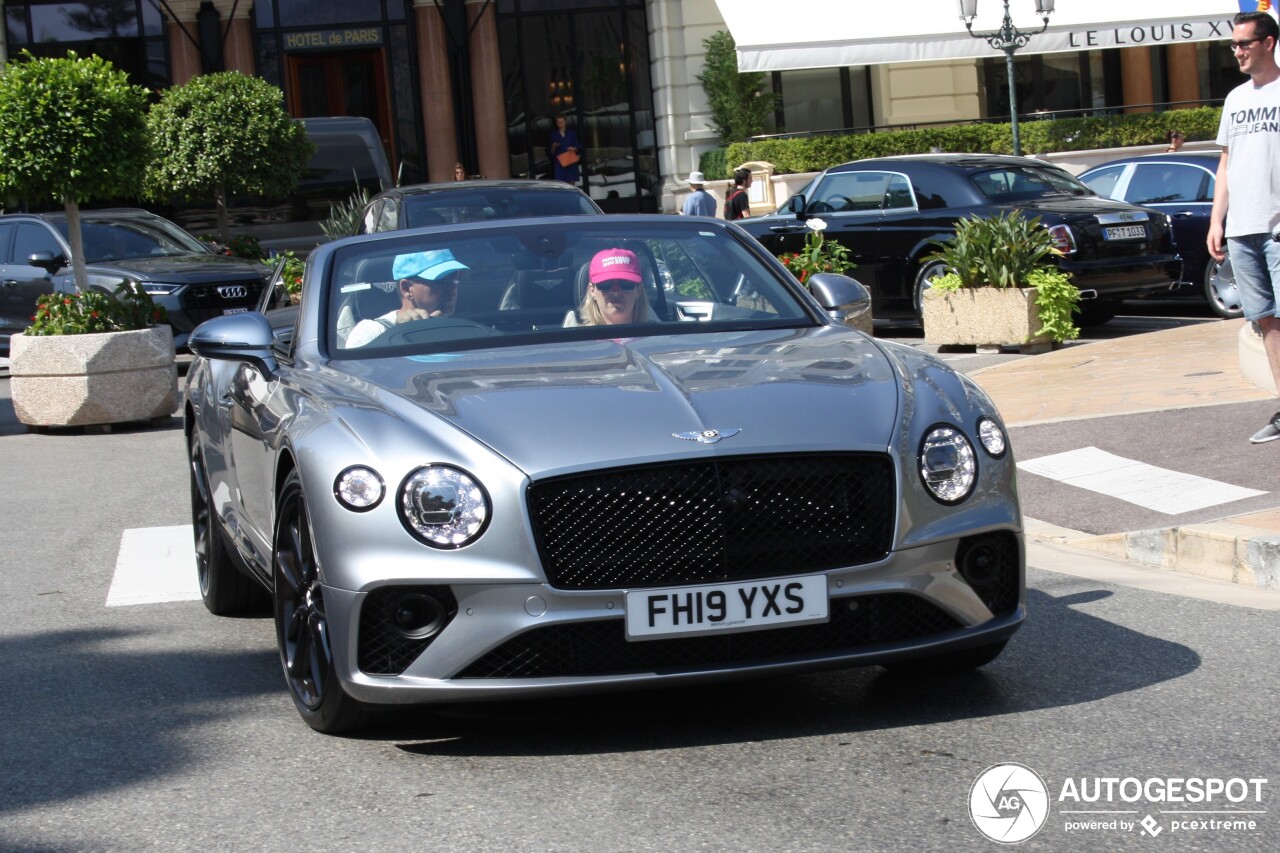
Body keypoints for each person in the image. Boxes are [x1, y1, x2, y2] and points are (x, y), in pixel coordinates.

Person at [1207, 10, 1280, 443]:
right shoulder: (1236, 99)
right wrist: (1217, 221)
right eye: (1233, 45)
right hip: (1241, 229)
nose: (1237, 51)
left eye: (1244, 44)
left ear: (1268, 43)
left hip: (1276, 228)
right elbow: (1227, 162)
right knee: (1266, 322)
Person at [345, 249, 468, 348]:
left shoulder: (470, 328)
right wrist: (403, 335)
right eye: (441, 281)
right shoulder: (371, 332)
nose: (452, 286)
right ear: (406, 288)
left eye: (455, 277)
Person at [575, 248, 651, 326]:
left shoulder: (658, 335)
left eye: (625, 284)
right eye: (605, 284)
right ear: (592, 291)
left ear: (638, 291)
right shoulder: (579, 337)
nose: (615, 291)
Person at [548, 113, 582, 184]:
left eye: (561, 122)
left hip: (570, 160)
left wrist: (573, 148)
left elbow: (578, 147)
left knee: (571, 185)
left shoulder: (572, 133)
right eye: (558, 122)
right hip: (559, 162)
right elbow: (551, 152)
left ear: (565, 122)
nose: (560, 124)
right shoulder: (553, 135)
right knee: (561, 185)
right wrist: (553, 146)